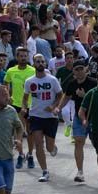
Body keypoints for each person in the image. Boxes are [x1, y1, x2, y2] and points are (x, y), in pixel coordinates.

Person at [22, 53, 62, 183]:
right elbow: (25, 98)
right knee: (38, 144)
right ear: (33, 64)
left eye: (42, 61)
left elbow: (60, 95)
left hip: (50, 117)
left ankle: (53, 147)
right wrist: (24, 108)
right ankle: (45, 171)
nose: (40, 63)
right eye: (37, 61)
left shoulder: (52, 80)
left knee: (49, 148)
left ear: (45, 64)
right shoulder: (29, 81)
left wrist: (53, 106)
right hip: (36, 116)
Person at [56, 59, 95, 182]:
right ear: (73, 71)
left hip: (95, 118)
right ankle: (80, 172)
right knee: (78, 142)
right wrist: (58, 108)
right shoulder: (72, 84)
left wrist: (85, 96)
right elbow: (66, 97)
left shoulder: (94, 83)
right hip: (79, 117)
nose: (79, 72)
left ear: (86, 70)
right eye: (76, 69)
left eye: (81, 69)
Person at [3, 47, 35, 168]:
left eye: (25, 56)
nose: (23, 58)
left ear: (28, 57)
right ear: (17, 57)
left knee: (31, 132)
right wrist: (8, 95)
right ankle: (21, 155)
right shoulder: (11, 71)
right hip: (16, 105)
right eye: (21, 56)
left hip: (31, 105)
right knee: (19, 132)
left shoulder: (33, 70)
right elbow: (5, 83)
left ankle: (30, 154)